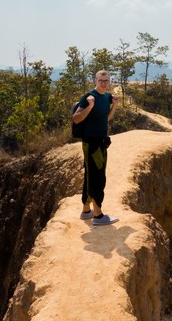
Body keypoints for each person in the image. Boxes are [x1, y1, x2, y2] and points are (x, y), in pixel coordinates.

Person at [72, 70, 119, 226]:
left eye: (106, 80)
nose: (104, 83)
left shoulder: (106, 97)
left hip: (101, 141)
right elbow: (76, 118)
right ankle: (98, 216)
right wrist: (90, 106)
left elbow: (106, 119)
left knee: (90, 174)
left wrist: (115, 106)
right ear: (95, 80)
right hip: (91, 142)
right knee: (97, 176)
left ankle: (86, 211)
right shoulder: (88, 97)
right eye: (101, 80)